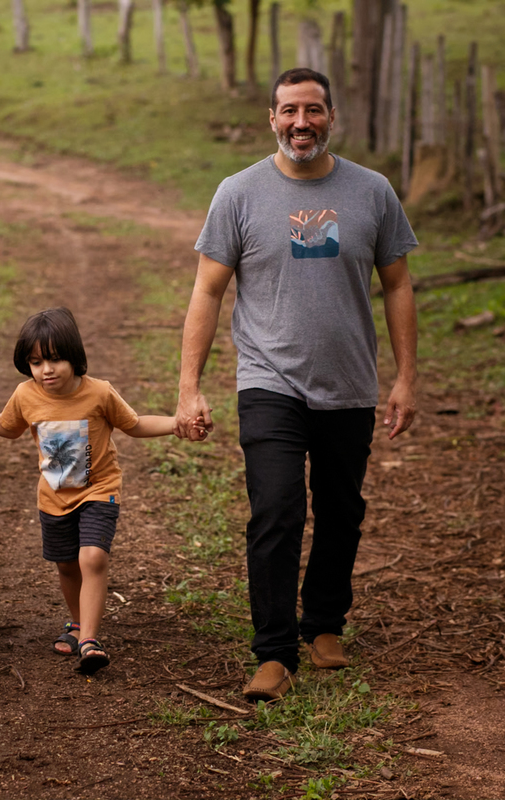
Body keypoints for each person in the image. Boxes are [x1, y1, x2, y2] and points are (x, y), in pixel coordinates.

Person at [175, 68, 419, 702]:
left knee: (342, 510)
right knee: (278, 509)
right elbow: (207, 290)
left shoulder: (371, 191)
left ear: (330, 116)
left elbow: (397, 283)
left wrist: (406, 379)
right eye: (289, 111)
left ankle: (325, 624)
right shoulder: (239, 192)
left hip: (350, 385)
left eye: (312, 110)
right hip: (268, 379)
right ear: (273, 118)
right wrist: (188, 387)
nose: (300, 122)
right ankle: (275, 651)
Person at [0, 307, 197, 675]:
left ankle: (91, 640)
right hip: (54, 498)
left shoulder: (99, 393)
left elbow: (136, 424)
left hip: (99, 490)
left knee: (91, 557)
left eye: (55, 359)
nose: (46, 370)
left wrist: (177, 424)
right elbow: (6, 426)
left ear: (74, 357)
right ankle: (78, 624)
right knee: (66, 565)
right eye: (36, 362)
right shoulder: (26, 395)